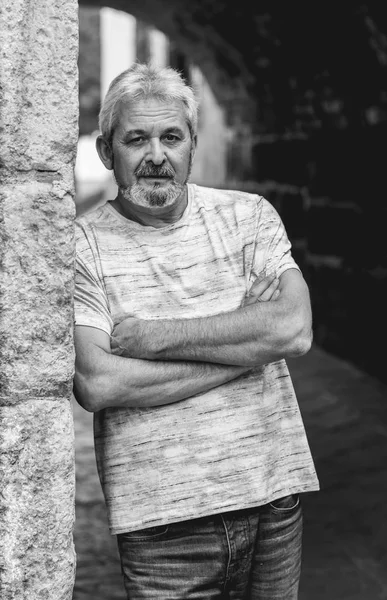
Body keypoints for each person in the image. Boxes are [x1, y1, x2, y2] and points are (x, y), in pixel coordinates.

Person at [73, 62, 319, 600]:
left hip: (271, 497)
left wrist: (151, 338)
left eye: (171, 137)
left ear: (192, 144)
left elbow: (294, 330)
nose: (156, 156)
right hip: (162, 526)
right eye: (136, 139)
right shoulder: (82, 246)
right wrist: (248, 347)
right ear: (105, 150)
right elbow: (98, 382)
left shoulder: (249, 216)